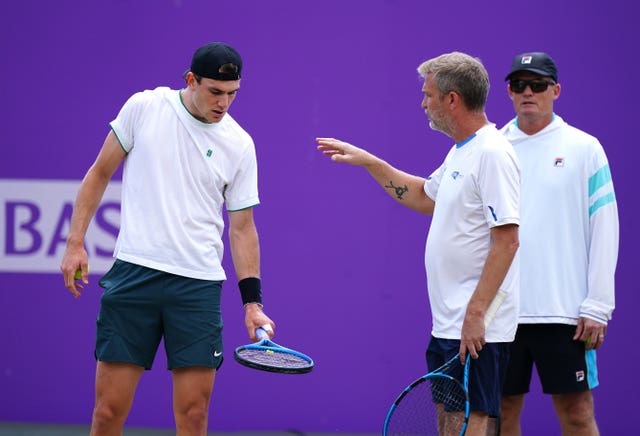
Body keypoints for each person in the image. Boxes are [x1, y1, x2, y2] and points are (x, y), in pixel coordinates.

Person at [60, 42, 275, 435]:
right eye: (215, 91)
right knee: (108, 412)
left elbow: (242, 228)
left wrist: (253, 304)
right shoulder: (145, 107)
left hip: (197, 288)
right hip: (134, 277)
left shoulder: (240, 144)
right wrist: (76, 241)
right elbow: (99, 173)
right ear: (190, 80)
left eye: (232, 94)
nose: (224, 103)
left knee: (193, 416)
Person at [316, 52, 520, 436]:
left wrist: (476, 314)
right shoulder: (463, 150)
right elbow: (424, 197)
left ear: (453, 99)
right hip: (449, 320)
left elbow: (507, 241)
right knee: (448, 416)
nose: (423, 103)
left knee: (473, 418)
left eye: (428, 95)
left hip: (478, 324)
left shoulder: (493, 153)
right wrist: (369, 162)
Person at [499, 52, 618, 436]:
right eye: (519, 85)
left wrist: (598, 304)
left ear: (556, 90)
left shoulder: (585, 148)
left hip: (566, 314)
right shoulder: (491, 148)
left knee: (578, 412)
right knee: (500, 412)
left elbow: (605, 227)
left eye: (537, 84)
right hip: (502, 313)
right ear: (509, 92)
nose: (528, 92)